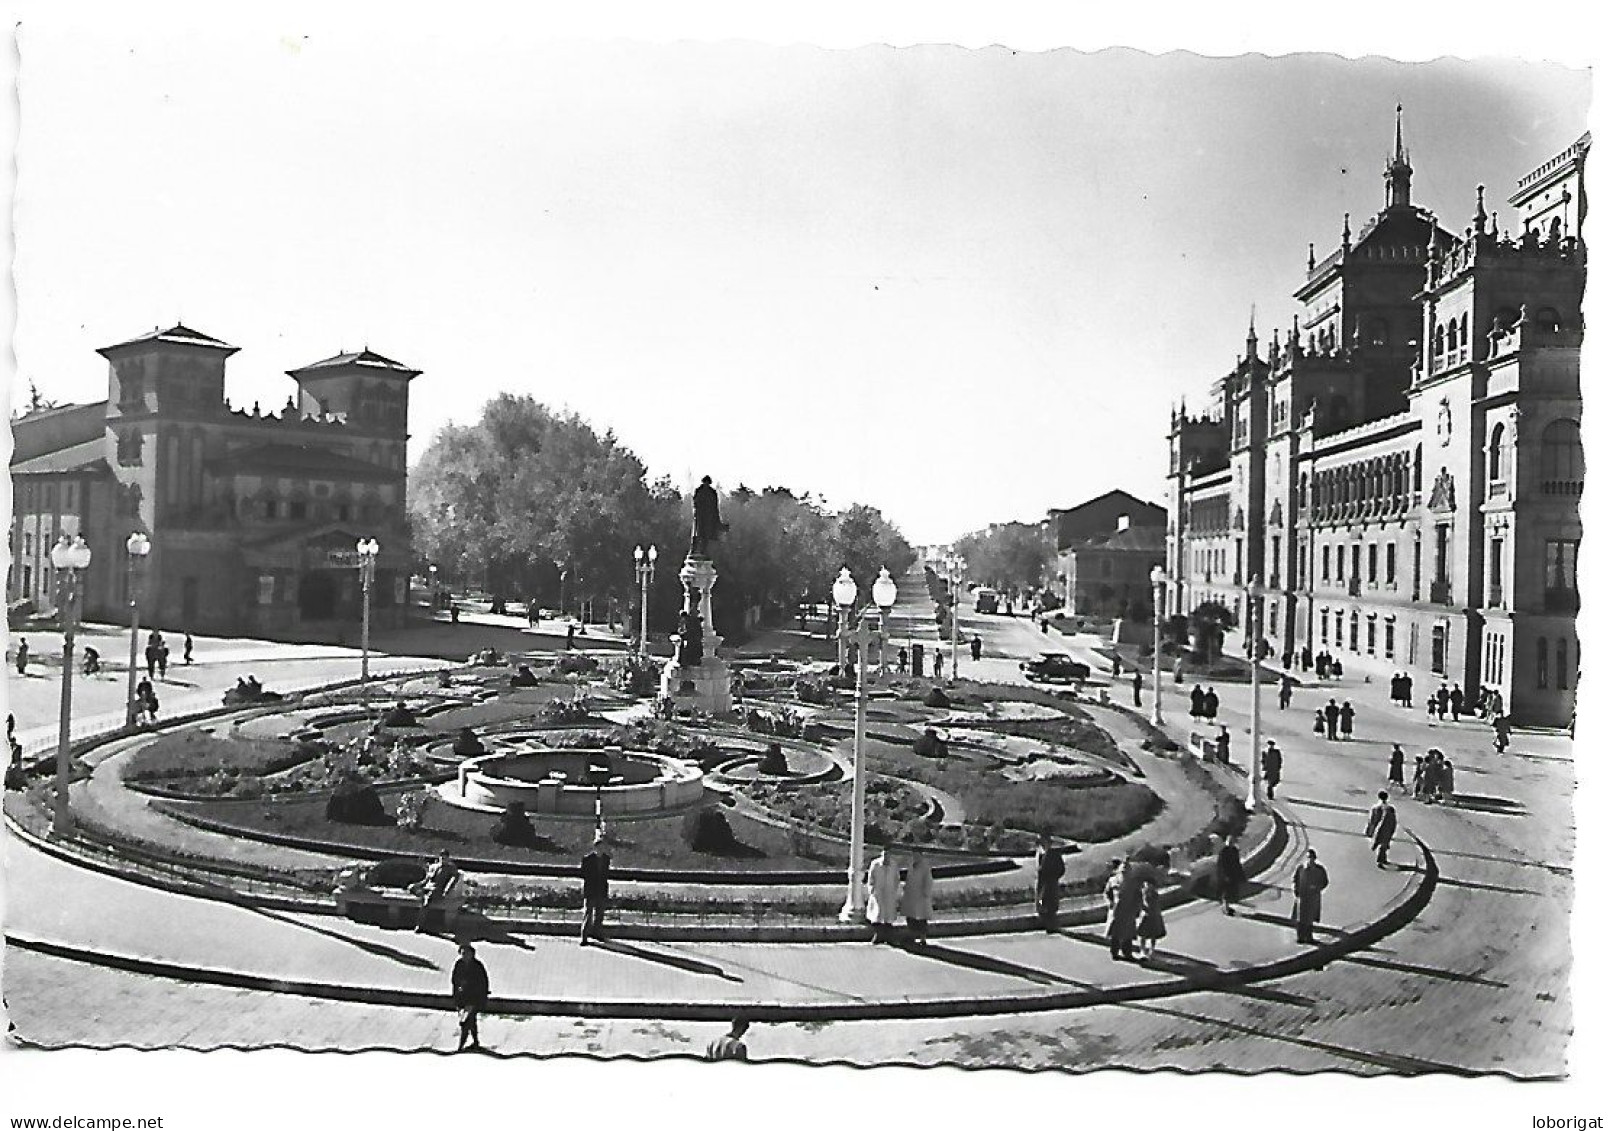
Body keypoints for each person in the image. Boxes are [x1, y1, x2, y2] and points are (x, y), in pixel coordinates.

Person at [451, 942, 489, 1052]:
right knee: (471, 1021)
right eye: (462, 953)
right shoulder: (459, 965)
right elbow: (454, 981)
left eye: (466, 953)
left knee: (466, 1022)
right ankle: (475, 1042)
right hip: (462, 999)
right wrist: (457, 994)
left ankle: (461, 1045)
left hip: (473, 999)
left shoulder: (477, 967)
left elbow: (482, 984)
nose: (464, 956)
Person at [1103, 858, 1140, 961]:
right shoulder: (1113, 880)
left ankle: (1127, 953)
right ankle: (1114, 952)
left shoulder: (1134, 882)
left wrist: (1137, 908)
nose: (1124, 872)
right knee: (1115, 932)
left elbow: (1138, 896)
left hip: (1129, 910)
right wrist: (1110, 903)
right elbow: (1107, 893)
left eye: (1126, 870)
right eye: (1123, 870)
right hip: (1116, 910)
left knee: (1128, 933)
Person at [416, 850, 460, 933]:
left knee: (426, 902)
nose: (442, 859)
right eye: (441, 857)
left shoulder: (451, 868)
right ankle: (421, 896)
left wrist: (446, 890)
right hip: (428, 888)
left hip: (437, 890)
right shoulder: (434, 866)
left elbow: (453, 879)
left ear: (448, 858)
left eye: (444, 857)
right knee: (413, 888)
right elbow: (427, 879)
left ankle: (419, 925)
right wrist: (418, 885)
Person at [865, 845, 902, 945]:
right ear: (882, 854)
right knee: (877, 915)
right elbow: (870, 878)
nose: (886, 857)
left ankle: (889, 937)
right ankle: (878, 935)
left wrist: (895, 890)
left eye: (888, 855)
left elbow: (897, 879)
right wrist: (872, 890)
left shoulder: (894, 865)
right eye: (885, 855)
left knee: (888, 917)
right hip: (878, 892)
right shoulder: (875, 864)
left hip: (889, 893)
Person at [1292, 849, 1329, 944]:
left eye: (1312, 858)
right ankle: (1300, 936)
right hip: (1302, 896)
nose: (1310, 860)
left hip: (1313, 897)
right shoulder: (1301, 868)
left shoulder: (1319, 870)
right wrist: (1296, 890)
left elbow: (1325, 882)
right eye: (1309, 858)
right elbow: (1295, 880)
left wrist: (1317, 888)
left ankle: (1308, 936)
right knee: (1301, 917)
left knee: (1309, 917)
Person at [579, 831, 611, 944]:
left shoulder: (606, 859)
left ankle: (597, 933)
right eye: (599, 847)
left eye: (602, 847)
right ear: (595, 848)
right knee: (588, 914)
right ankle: (584, 936)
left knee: (600, 915)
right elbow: (583, 874)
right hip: (591, 890)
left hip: (601, 890)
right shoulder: (588, 859)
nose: (601, 850)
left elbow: (606, 875)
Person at [901, 846, 934, 946]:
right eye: (913, 855)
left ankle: (922, 938)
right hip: (911, 895)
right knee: (910, 917)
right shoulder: (911, 865)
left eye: (917, 855)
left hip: (921, 896)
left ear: (921, 855)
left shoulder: (925, 866)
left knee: (921, 918)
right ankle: (911, 936)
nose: (915, 857)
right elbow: (909, 878)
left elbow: (928, 881)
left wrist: (925, 893)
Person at [1034, 835, 1065, 931]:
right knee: (1041, 901)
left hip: (1051, 883)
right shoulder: (1039, 853)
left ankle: (1051, 924)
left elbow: (1061, 869)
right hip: (1042, 882)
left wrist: (1054, 877)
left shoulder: (1054, 854)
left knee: (1051, 903)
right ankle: (1044, 920)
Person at [1134, 873, 1166, 962]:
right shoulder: (1142, 892)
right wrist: (1144, 909)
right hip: (1146, 915)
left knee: (1153, 934)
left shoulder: (1154, 893)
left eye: (1149, 884)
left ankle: (1151, 951)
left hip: (1154, 915)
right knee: (1142, 934)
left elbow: (1157, 904)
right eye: (1146, 884)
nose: (1147, 885)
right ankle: (1143, 951)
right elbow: (1139, 903)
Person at [1366, 790, 1398, 868]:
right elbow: (1393, 820)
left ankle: (1382, 859)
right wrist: (1393, 829)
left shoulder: (1375, 807)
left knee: (1379, 842)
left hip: (1377, 827)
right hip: (1386, 827)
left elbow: (1371, 820)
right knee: (1384, 843)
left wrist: (1369, 830)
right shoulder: (1390, 808)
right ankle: (1381, 859)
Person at [1215, 835, 1245, 915]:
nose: (1230, 843)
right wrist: (1224, 875)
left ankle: (1228, 907)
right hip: (1225, 874)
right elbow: (1221, 865)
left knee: (1232, 891)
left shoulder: (1235, 851)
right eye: (1229, 842)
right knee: (1226, 892)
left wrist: (1241, 874)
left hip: (1233, 874)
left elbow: (1237, 863)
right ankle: (1225, 908)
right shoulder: (1223, 852)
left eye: (1232, 842)